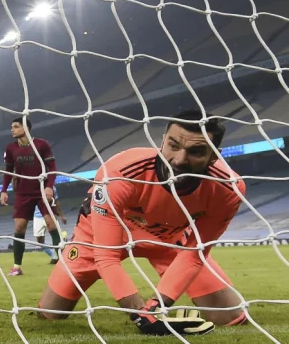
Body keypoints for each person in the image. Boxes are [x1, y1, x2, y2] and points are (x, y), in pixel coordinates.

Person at [37, 110, 248, 335]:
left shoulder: (228, 189)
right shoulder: (119, 172)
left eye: (195, 152)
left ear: (215, 156)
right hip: (100, 237)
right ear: (162, 141)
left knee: (232, 316)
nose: (179, 160)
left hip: (170, 238)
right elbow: (106, 256)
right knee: (50, 313)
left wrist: (156, 307)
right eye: (173, 145)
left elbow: (195, 253)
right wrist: (140, 314)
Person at [0, 117, 61, 276]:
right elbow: (8, 171)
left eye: (16, 126)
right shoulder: (10, 148)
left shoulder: (42, 144)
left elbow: (52, 167)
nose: (12, 129)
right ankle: (17, 267)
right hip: (22, 193)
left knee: (52, 225)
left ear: (26, 128)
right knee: (19, 228)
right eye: (11, 127)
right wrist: (4, 190)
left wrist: (49, 187)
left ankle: (63, 265)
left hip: (42, 191)